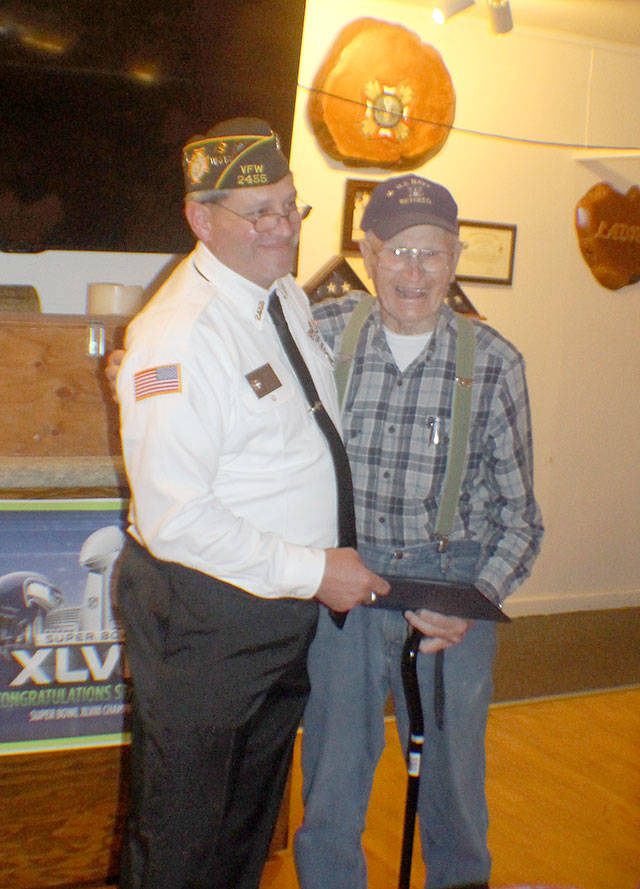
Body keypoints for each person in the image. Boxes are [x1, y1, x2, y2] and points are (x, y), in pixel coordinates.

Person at [113, 117, 388, 889]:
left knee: (243, 830)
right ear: (202, 219)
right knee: (183, 837)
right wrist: (313, 570)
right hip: (208, 619)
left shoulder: (280, 298)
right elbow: (177, 520)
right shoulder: (179, 336)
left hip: (272, 611)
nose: (281, 228)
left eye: (289, 205)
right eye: (256, 211)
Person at [293, 174, 544, 889]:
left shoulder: (493, 362)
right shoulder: (323, 334)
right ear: (367, 252)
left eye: (430, 253)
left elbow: (520, 516)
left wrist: (470, 599)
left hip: (449, 582)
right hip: (344, 584)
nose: (413, 271)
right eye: (397, 251)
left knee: (453, 782)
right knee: (332, 776)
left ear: (456, 257)